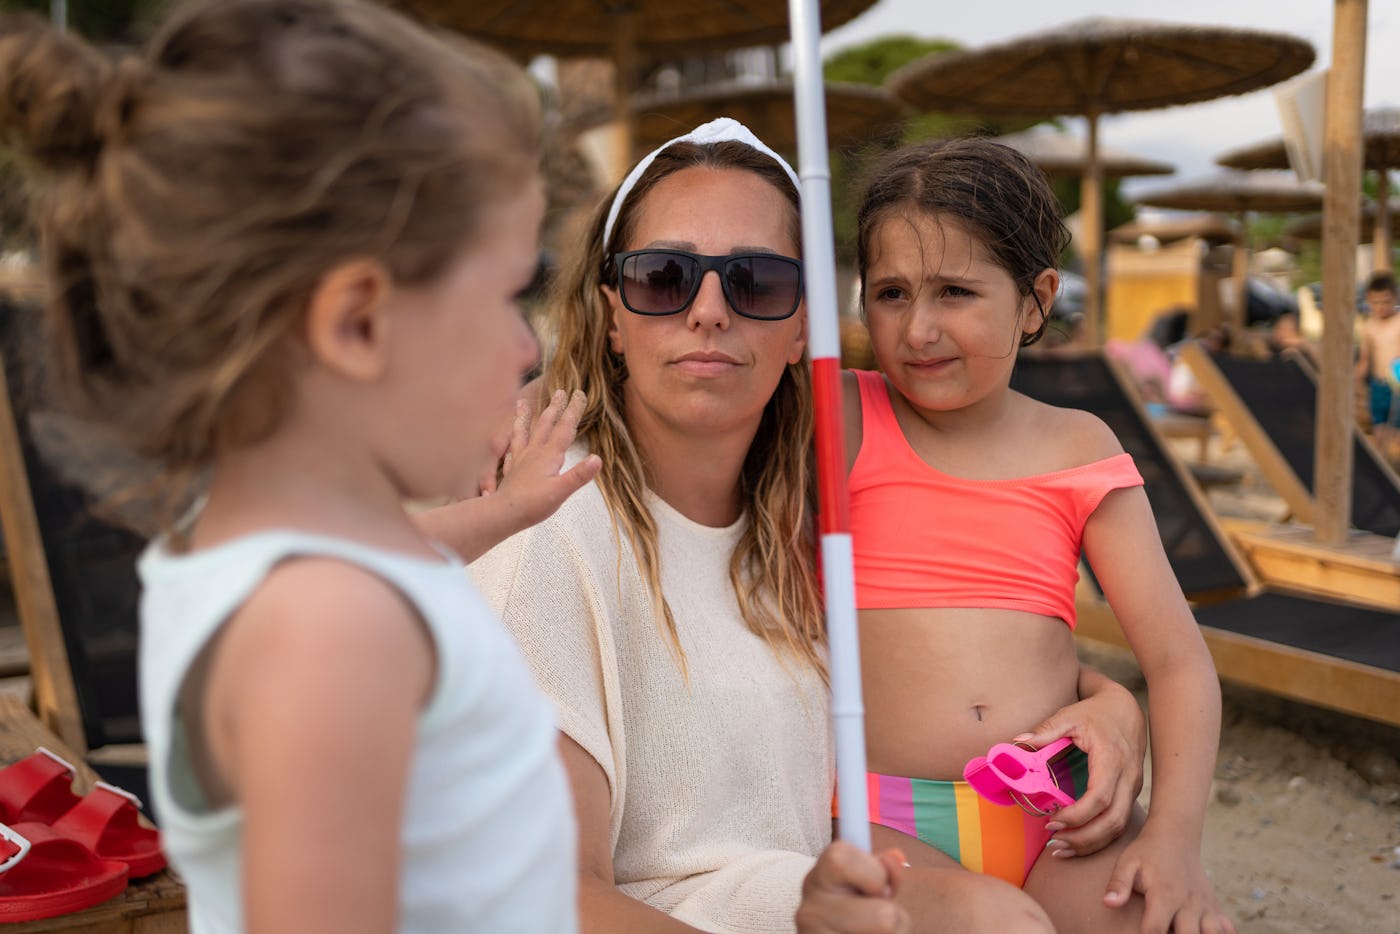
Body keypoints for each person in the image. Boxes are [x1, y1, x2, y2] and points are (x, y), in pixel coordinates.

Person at [459, 118, 1149, 933]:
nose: (709, 312)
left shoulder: (800, 519)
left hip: (812, 891)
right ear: (613, 316)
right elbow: (541, 899)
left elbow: (946, 646)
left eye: (755, 282)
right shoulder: (552, 532)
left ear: (802, 330)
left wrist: (1111, 707)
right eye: (662, 277)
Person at [0, 1, 597, 930]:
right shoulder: (331, 635)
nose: (526, 346)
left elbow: (404, 552)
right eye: (505, 292)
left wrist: (510, 512)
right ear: (358, 323)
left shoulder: (298, 565)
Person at [846, 137, 1233, 934]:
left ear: (1035, 300)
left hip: (1056, 814)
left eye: (955, 290)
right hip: (878, 816)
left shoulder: (1079, 448)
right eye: (890, 293)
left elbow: (1177, 660)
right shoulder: (842, 418)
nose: (918, 328)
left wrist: (1174, 838)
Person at [1357, 272, 1400, 443]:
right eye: (1376, 302)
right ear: (1368, 301)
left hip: (1397, 384)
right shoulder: (1369, 326)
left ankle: (1395, 464)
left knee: (1396, 428)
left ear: (1395, 298)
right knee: (1379, 426)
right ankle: (1382, 460)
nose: (1381, 306)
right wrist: (1356, 379)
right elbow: (1365, 359)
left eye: (1386, 301)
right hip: (1378, 383)